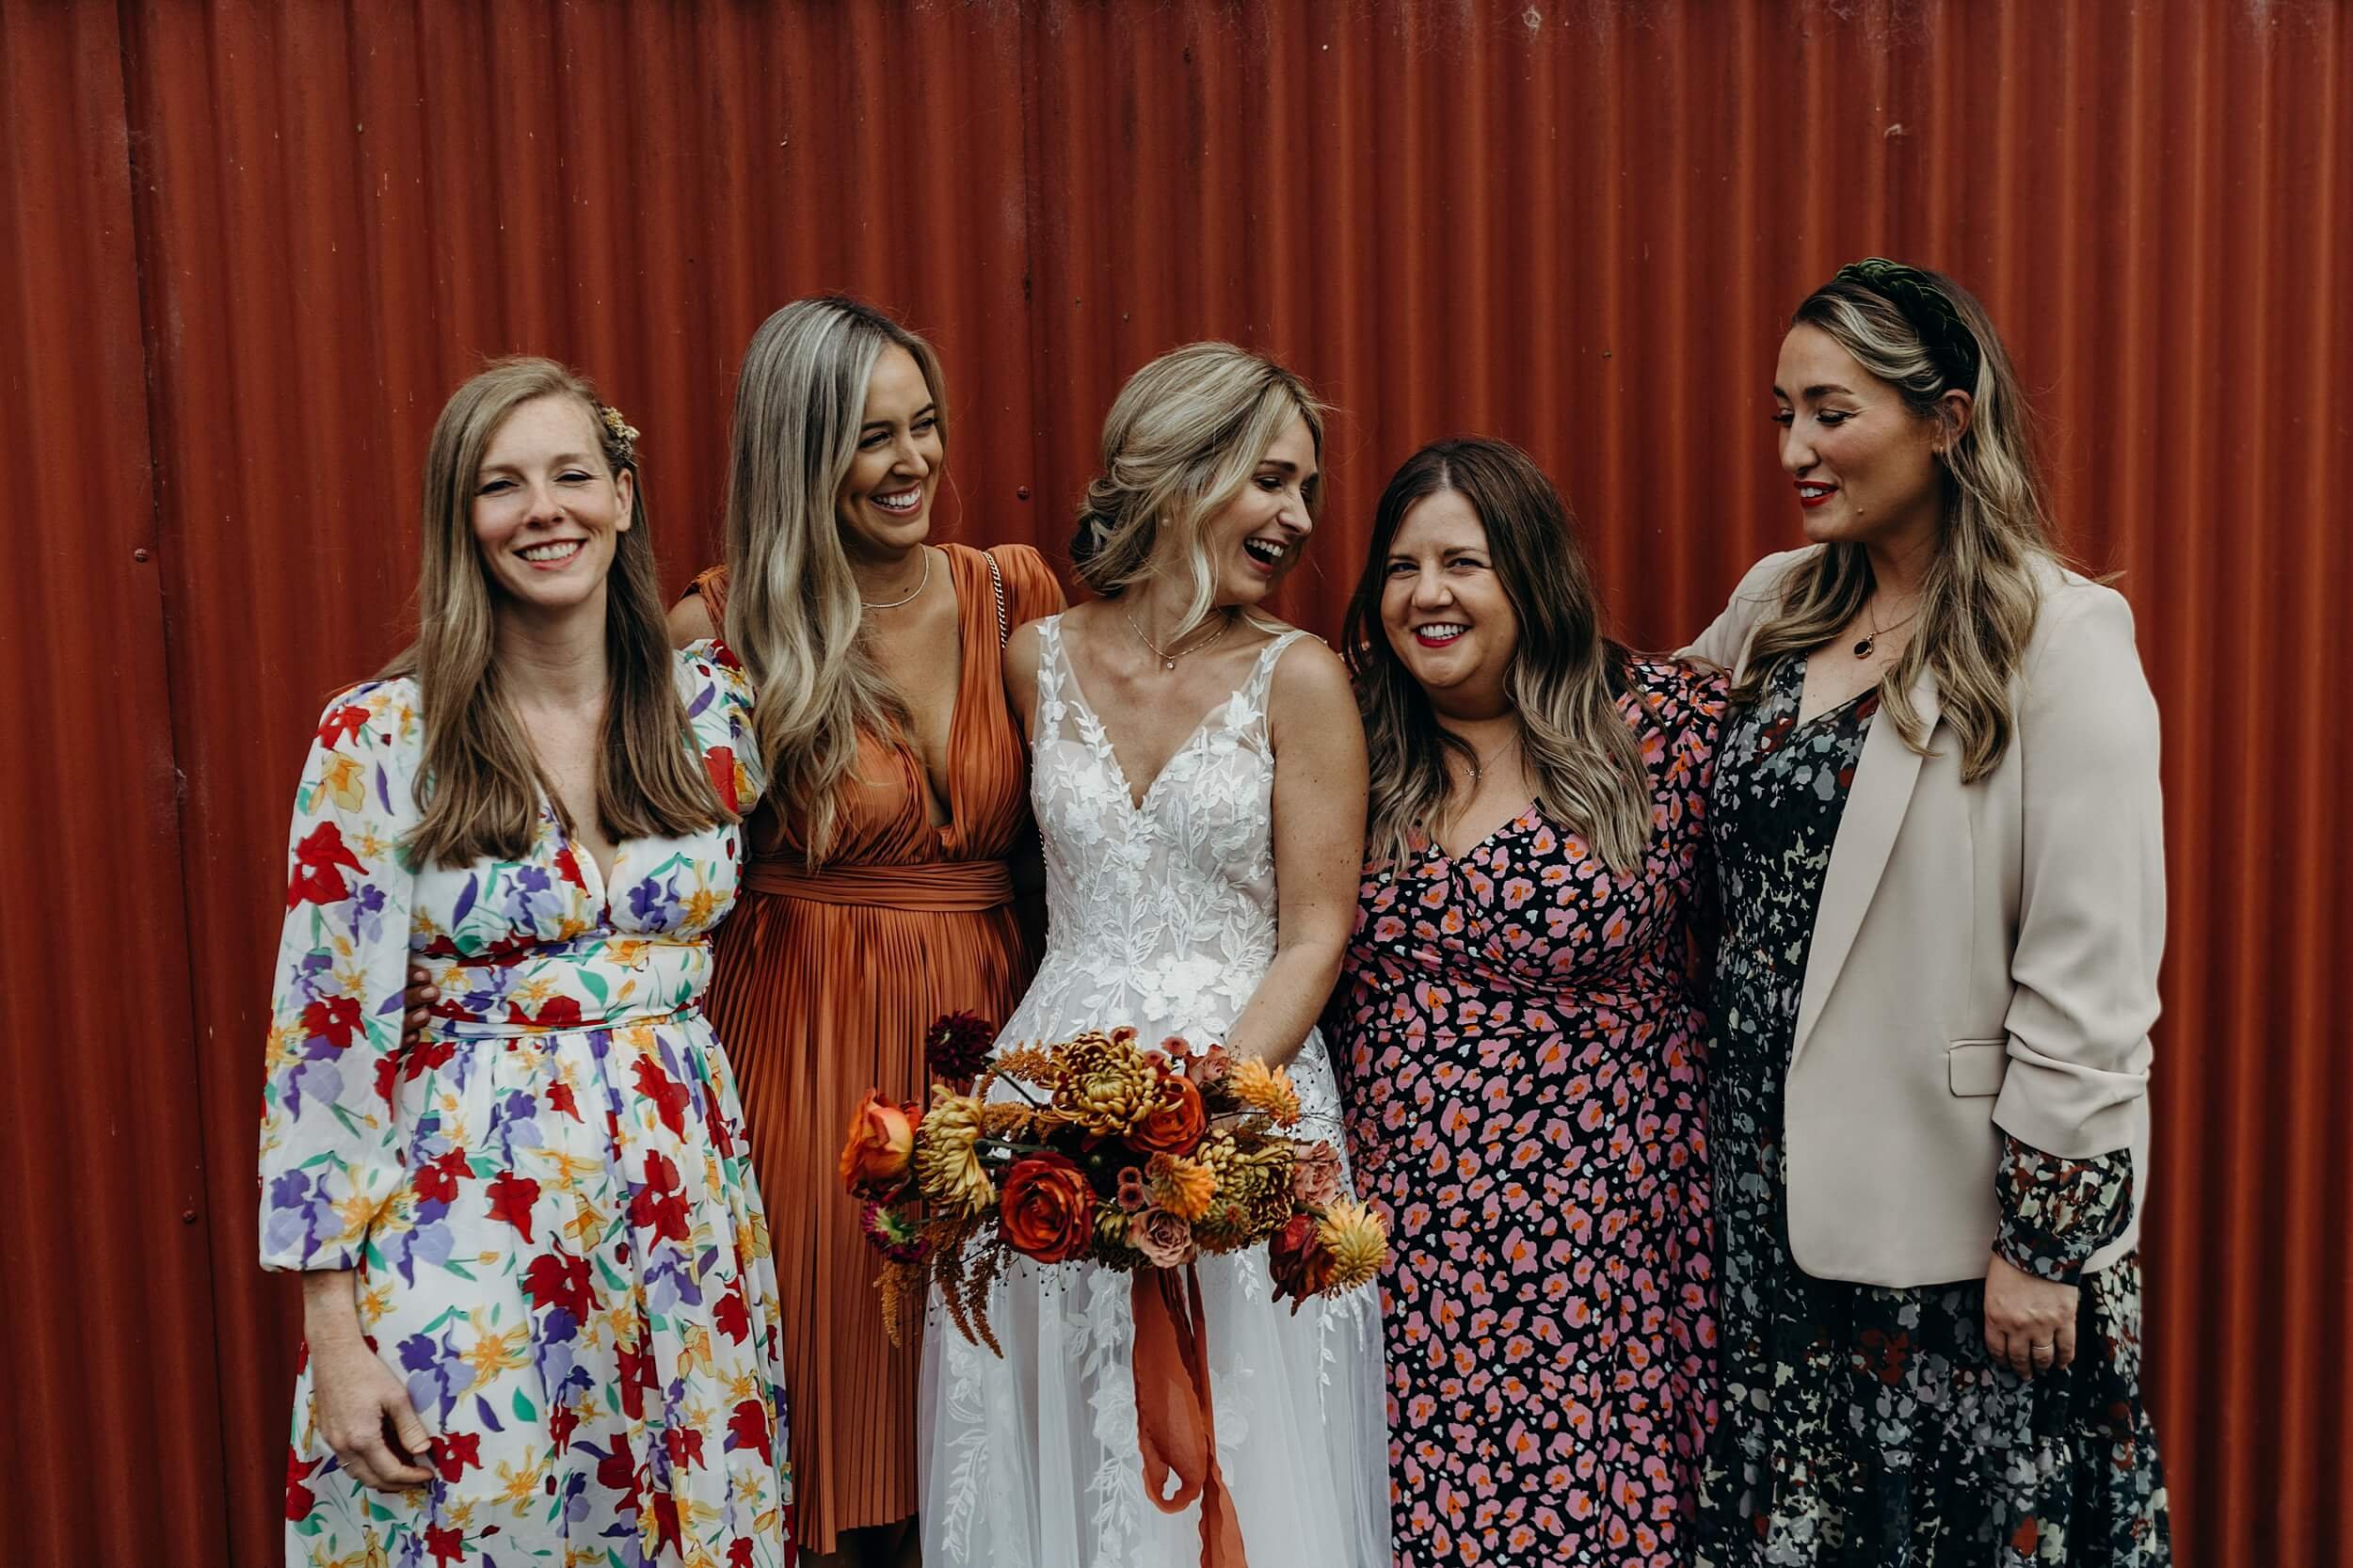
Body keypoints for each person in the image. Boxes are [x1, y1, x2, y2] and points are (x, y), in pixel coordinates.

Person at [261, 359, 792, 1565]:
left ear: (621, 495)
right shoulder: (383, 737)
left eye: (570, 475)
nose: (542, 510)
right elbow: (324, 1042)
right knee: (485, 1520)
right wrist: (336, 1340)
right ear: (464, 522)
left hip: (682, 1217)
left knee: (686, 1520)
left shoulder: (711, 713)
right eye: (502, 486)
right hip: (467, 1219)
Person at [1685, 259, 2169, 1562]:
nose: (1796, 447)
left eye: (1831, 412)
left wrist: (2046, 1242)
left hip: (1954, 1237)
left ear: (1947, 419)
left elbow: (2094, 976)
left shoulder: (2058, 639)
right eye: (1783, 412)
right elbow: (1621, 762)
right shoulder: (1777, 608)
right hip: (1764, 1208)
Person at [918, 343, 1392, 1567]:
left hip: (1239, 1099)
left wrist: (1199, 1112)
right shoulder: (1036, 661)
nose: (1299, 517)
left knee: (1237, 1419)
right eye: (1272, 480)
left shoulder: (1303, 680)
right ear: (1179, 468)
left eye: (1307, 490)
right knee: (1056, 1426)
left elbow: (1313, 930)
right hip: (1048, 1102)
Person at [668, 296, 1064, 1566]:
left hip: (994, 1045)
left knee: (994, 1415)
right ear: (797, 455)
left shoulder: (1013, 594)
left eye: (926, 424)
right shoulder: (722, 628)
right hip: (808, 1050)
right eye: (870, 437)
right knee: (849, 1436)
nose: (914, 463)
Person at [1329, 437, 1722, 1566]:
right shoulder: (1348, 728)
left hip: (1601, 1245)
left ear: (1535, 574)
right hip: (1405, 1241)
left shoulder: (1665, 730)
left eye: (1464, 562)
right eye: (1401, 568)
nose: (1428, 595)